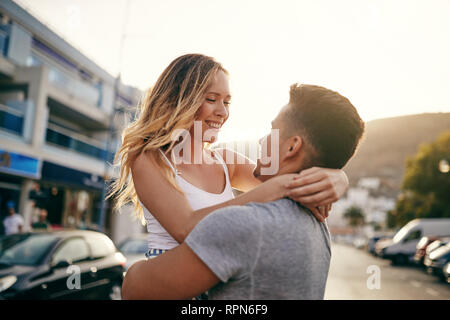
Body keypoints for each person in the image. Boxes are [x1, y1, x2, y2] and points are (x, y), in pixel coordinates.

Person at [122, 83, 365, 300]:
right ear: (180, 101)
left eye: (226, 102)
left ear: (292, 146)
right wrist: (329, 175)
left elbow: (135, 287)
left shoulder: (240, 224)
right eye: (211, 99)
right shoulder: (318, 227)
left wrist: (336, 177)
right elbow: (267, 180)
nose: (223, 111)